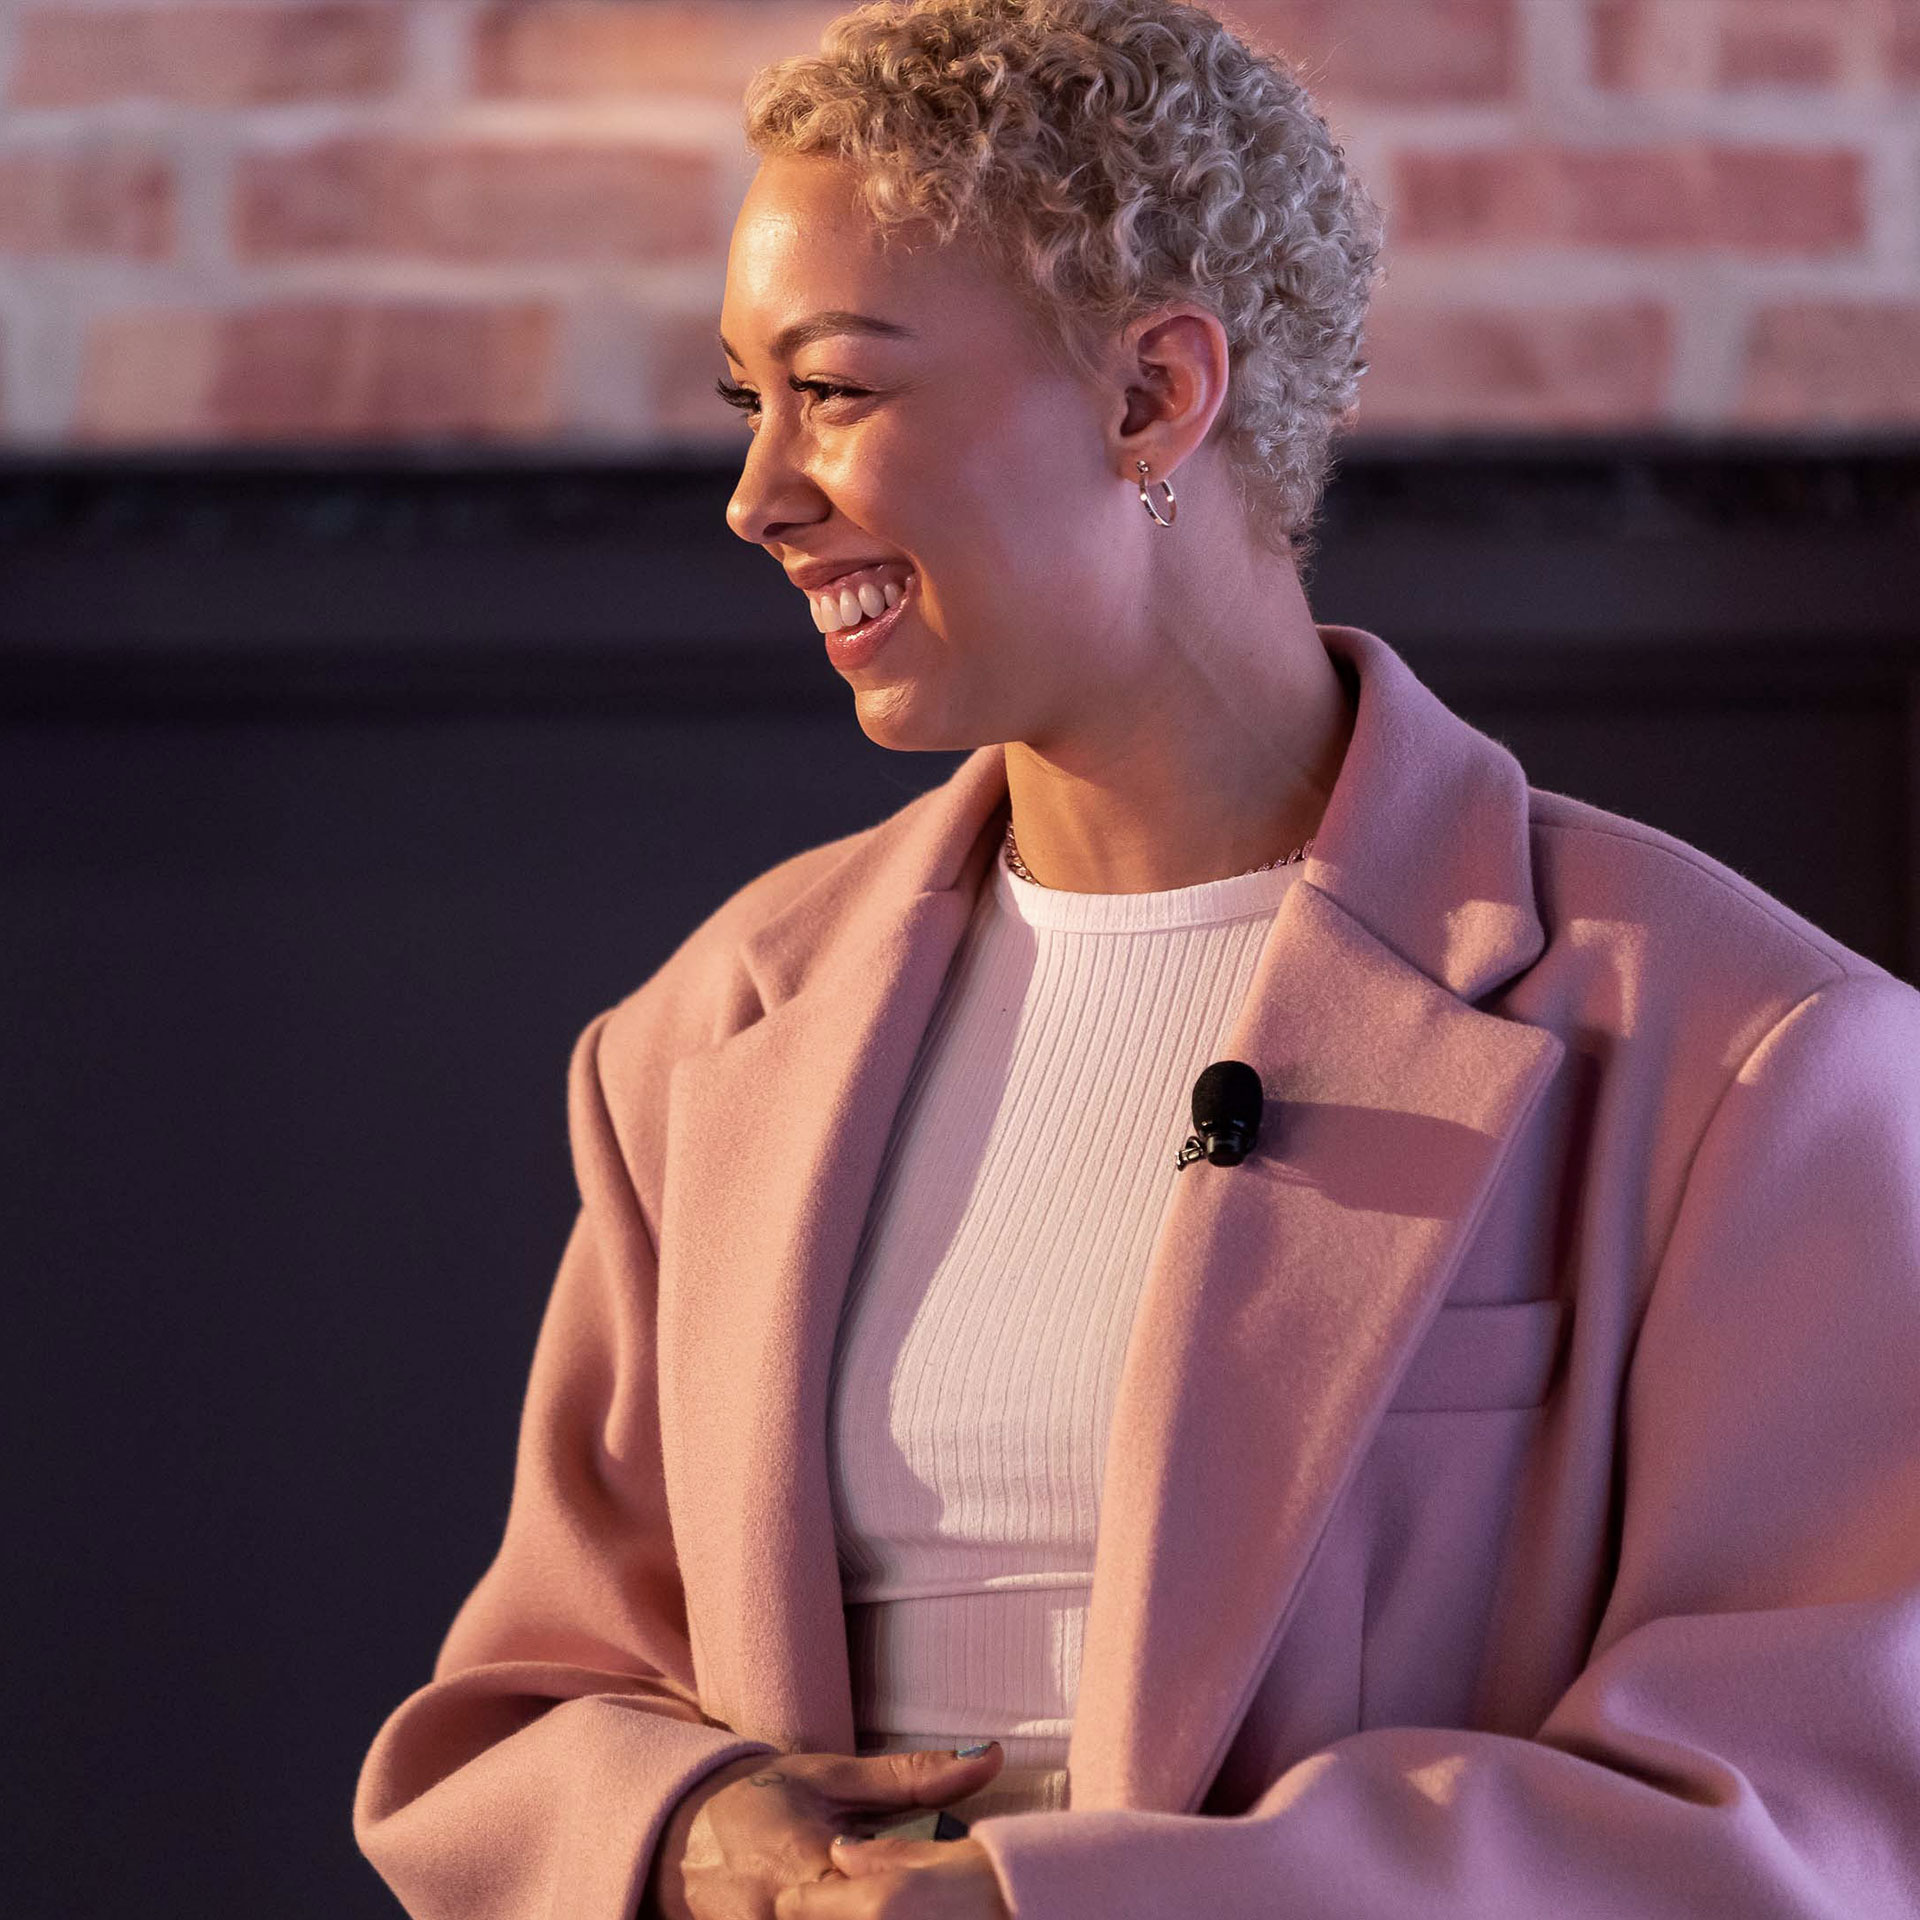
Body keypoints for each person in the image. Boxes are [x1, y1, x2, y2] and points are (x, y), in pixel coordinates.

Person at [354, 1, 1920, 1915]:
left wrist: (1057, 1903)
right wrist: (695, 1835)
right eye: (740, 401)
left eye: (833, 391)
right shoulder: (708, 1031)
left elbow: (1797, 1819)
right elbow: (539, 1703)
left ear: (1151, 396)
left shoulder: (1754, 1054)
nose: (758, 495)